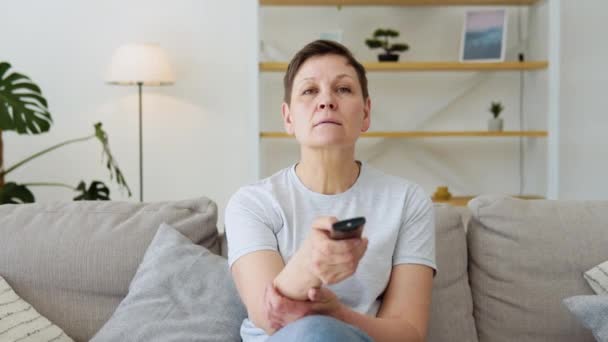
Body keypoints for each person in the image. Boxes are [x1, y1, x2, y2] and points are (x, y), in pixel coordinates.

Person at [225, 40, 436, 342]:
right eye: (310, 91)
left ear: (365, 113)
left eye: (343, 89)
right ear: (288, 118)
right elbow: (269, 318)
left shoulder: (407, 201)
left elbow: (409, 333)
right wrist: (309, 261)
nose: (326, 101)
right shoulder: (252, 203)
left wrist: (338, 315)